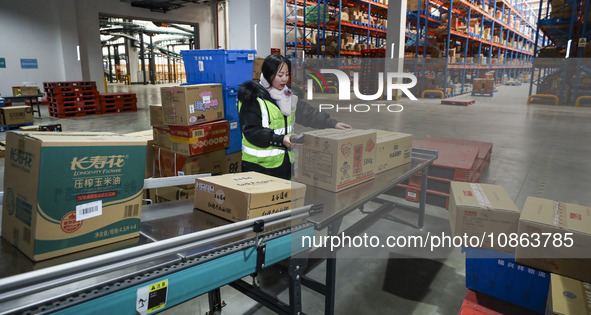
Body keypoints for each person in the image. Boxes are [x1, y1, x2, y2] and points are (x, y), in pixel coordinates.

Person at [238, 54, 351, 180]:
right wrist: (279, 139)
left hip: (285, 164)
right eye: (280, 75)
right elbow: (252, 131)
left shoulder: (288, 96)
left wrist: (332, 123)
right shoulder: (252, 99)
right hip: (259, 167)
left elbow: (308, 114)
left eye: (287, 74)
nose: (284, 79)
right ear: (268, 74)